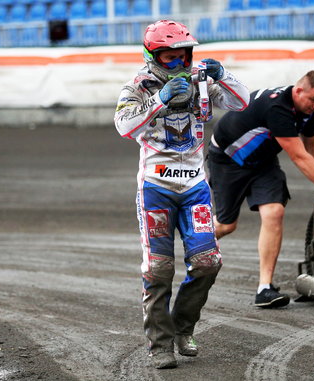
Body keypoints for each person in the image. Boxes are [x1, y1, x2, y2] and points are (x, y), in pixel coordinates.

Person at [114, 20, 249, 369]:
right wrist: (159, 100)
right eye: (170, 58)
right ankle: (160, 345)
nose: (178, 64)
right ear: (154, 57)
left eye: (183, 57)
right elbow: (124, 126)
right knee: (159, 268)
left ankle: (182, 328)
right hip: (155, 187)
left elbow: (241, 102)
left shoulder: (200, 81)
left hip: (195, 188)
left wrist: (223, 75)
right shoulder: (138, 86)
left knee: (208, 262)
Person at [207, 70, 314, 309]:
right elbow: (299, 157)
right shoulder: (278, 109)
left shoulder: (307, 111)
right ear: (298, 91)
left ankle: (264, 288)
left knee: (275, 212)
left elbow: (313, 145)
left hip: (263, 162)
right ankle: (190, 245)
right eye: (313, 100)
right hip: (228, 159)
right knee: (226, 225)